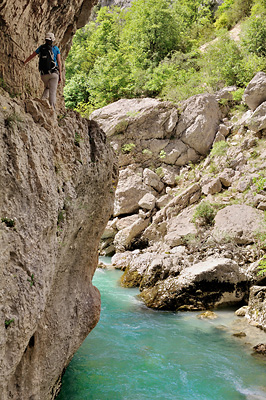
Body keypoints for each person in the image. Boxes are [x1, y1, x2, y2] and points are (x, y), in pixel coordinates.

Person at [23, 32, 62, 109]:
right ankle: (52, 110)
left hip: (43, 75)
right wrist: (60, 75)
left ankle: (41, 103)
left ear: (45, 39)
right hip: (54, 74)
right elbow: (59, 63)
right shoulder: (56, 49)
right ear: (52, 40)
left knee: (47, 88)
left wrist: (24, 62)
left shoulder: (41, 48)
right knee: (52, 92)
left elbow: (32, 56)